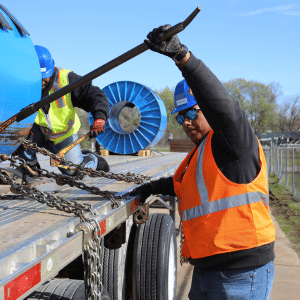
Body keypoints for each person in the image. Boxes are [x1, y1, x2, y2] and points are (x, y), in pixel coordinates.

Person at [129, 25, 276, 299]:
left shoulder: (235, 143)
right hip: (206, 270)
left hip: (241, 274)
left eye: (192, 114)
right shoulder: (200, 153)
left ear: (206, 110)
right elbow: (187, 187)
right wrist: (151, 188)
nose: (186, 123)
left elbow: (224, 108)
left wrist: (183, 58)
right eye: (180, 117)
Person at [17, 45, 110, 176]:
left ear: (53, 68)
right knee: (18, 131)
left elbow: (94, 95)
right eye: (37, 76)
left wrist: (100, 118)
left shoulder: (67, 80)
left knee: (74, 171)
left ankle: (93, 160)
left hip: (63, 135)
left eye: (45, 76)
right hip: (37, 133)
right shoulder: (22, 84)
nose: (41, 81)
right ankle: (29, 167)